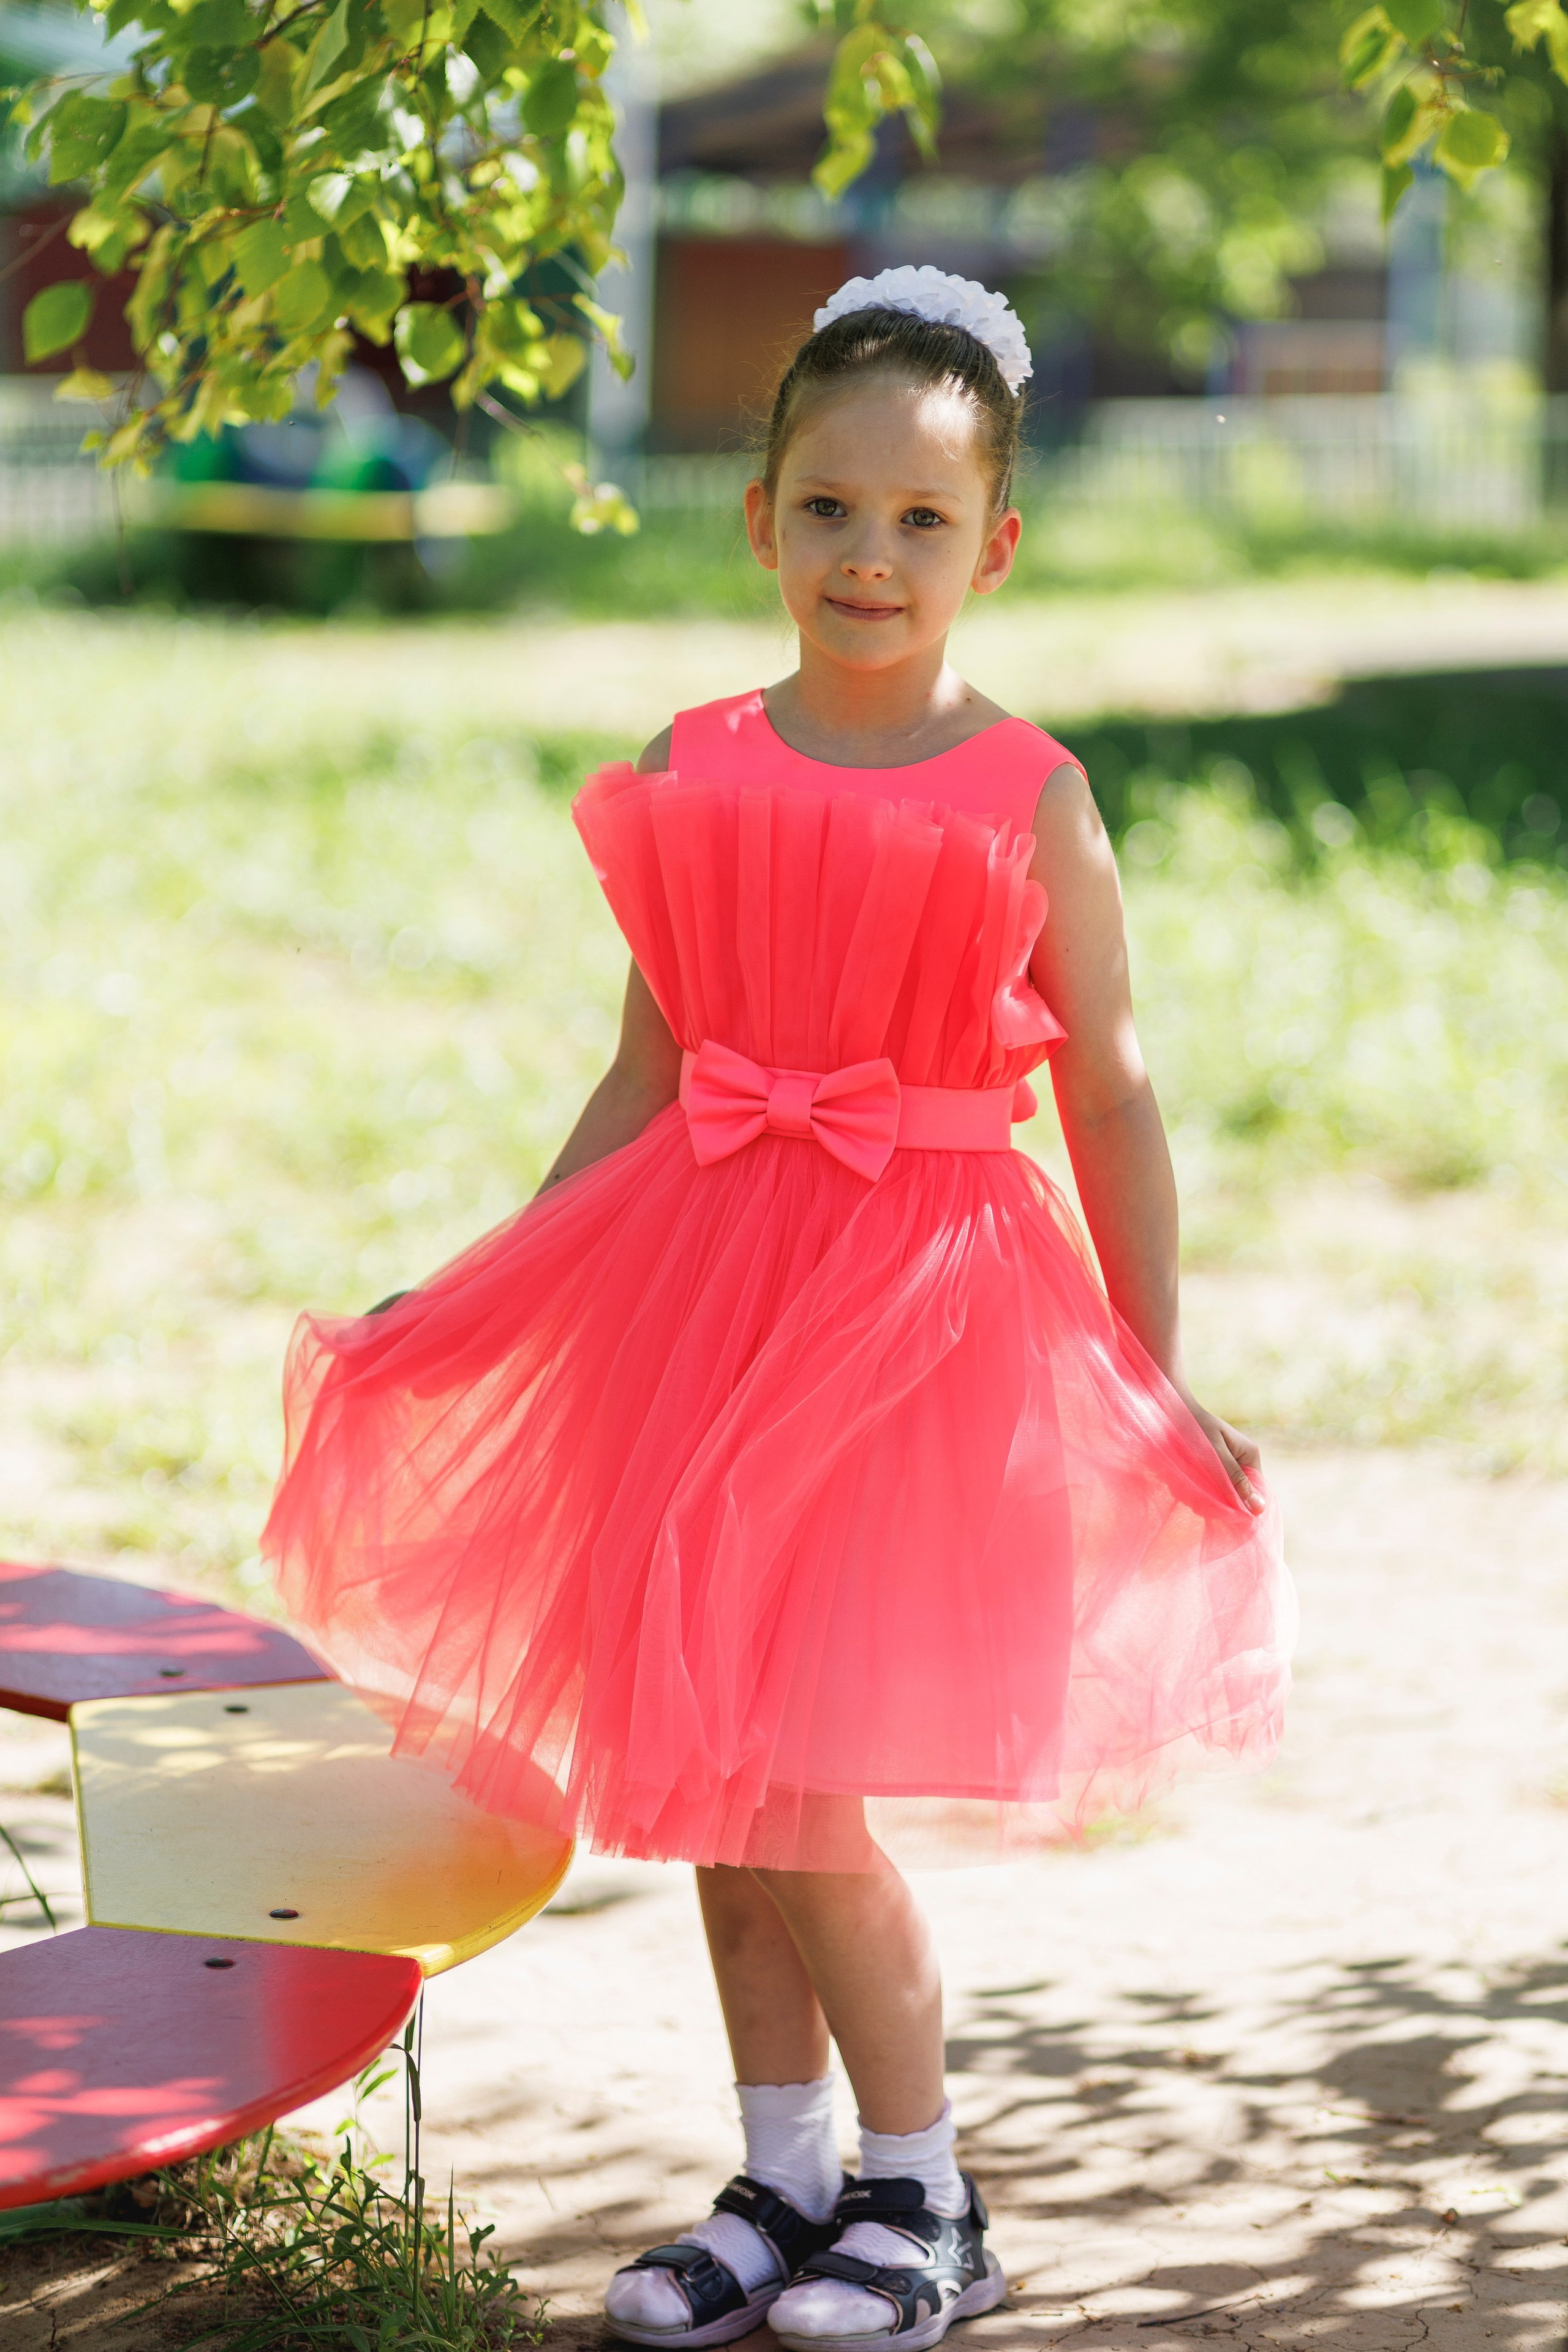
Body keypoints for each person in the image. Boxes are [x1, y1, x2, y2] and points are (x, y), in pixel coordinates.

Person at [262, 266, 1294, 2352]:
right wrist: (486, 1299)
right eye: (830, 508)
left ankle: (929, 2198)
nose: (869, 555)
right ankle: (787, 2175)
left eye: (921, 521)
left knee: (804, 1788)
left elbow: (1108, 1089)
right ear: (761, 516)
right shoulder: (699, 763)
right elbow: (648, 1079)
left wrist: (1154, 1374)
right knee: (714, 1786)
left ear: (993, 545)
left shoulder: (1028, 794)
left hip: (914, 1319)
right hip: (706, 1292)